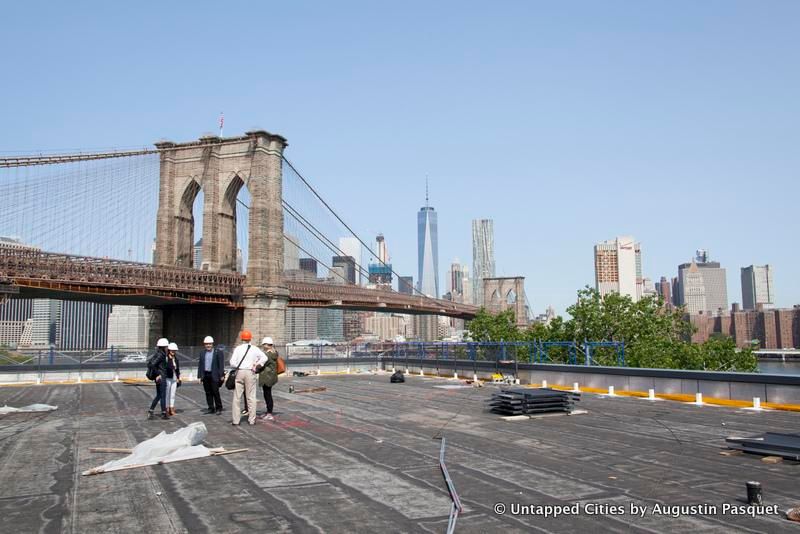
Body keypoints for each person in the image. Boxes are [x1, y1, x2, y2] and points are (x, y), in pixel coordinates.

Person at [229, 330, 266, 426]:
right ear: (250, 338)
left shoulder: (238, 348)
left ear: (242, 338)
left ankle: (236, 420)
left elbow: (232, 362)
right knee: (251, 397)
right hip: (250, 372)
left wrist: (239, 366)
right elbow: (264, 358)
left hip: (240, 372)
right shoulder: (254, 348)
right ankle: (252, 420)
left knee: (237, 397)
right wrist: (257, 364)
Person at [196, 335, 225, 415]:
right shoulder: (202, 353)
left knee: (215, 391)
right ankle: (211, 407)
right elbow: (200, 365)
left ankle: (219, 407)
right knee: (208, 392)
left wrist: (221, 375)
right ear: (204, 344)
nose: (208, 345)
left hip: (214, 375)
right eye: (206, 344)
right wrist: (199, 376)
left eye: (210, 344)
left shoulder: (218, 352)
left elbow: (221, 364)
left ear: (212, 344)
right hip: (206, 375)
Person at [258, 337, 280, 421]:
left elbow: (262, 364)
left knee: (267, 395)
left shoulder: (268, 354)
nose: (263, 346)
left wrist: (255, 368)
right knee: (267, 394)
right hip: (270, 376)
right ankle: (268, 412)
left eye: (264, 344)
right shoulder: (273, 352)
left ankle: (269, 413)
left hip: (267, 377)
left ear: (267, 345)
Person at [148, 338, 169, 420]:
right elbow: (151, 365)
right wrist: (158, 374)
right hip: (162, 377)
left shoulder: (158, 353)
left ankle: (151, 410)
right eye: (167, 346)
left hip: (160, 377)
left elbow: (152, 364)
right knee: (162, 395)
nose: (167, 348)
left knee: (159, 395)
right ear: (164, 347)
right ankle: (164, 413)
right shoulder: (161, 355)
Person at [164, 342, 182, 416]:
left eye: (174, 350)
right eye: (172, 350)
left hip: (174, 379)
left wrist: (178, 378)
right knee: (167, 394)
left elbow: (177, 369)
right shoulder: (166, 358)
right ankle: (167, 408)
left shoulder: (176, 359)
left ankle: (172, 408)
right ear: (169, 350)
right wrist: (170, 360)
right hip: (168, 378)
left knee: (173, 395)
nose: (173, 352)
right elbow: (167, 367)